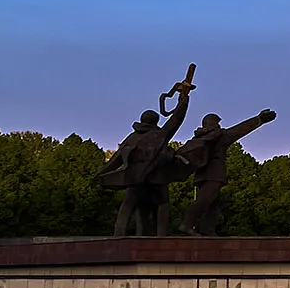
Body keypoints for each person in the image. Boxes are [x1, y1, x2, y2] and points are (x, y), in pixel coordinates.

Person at [97, 78, 194, 237]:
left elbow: (116, 159)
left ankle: (118, 235)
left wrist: (101, 173)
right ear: (156, 121)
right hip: (157, 179)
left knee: (128, 206)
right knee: (162, 206)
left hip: (137, 179)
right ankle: (161, 237)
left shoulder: (132, 137)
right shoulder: (160, 135)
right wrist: (184, 99)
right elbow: (177, 119)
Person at [175, 108, 277, 236]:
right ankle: (187, 224)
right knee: (204, 200)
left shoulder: (199, 137)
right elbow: (239, 130)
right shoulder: (218, 136)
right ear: (213, 123)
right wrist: (259, 119)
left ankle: (207, 230)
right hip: (214, 174)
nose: (219, 125)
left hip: (201, 175)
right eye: (217, 123)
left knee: (213, 204)